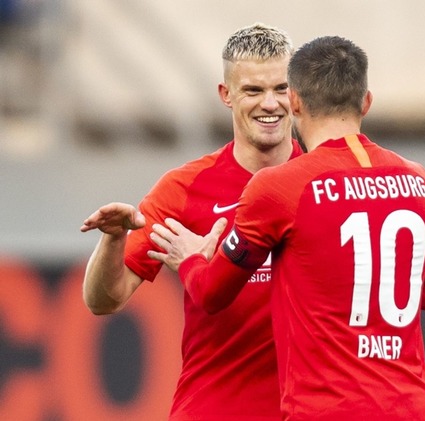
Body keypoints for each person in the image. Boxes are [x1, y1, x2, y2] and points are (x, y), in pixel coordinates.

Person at [148, 36, 425, 421]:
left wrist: (190, 259)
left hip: (328, 409)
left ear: (295, 102)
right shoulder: (417, 180)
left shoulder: (282, 187)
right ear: (366, 102)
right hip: (411, 407)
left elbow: (211, 293)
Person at [79, 23, 304, 421]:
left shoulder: (326, 183)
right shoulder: (184, 188)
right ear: (226, 95)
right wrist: (113, 239)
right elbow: (104, 300)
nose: (270, 103)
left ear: (298, 93)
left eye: (281, 88)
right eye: (253, 91)